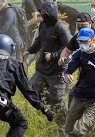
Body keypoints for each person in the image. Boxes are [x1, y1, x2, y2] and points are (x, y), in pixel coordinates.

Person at [23, 1, 72, 130]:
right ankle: (46, 111)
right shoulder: (43, 25)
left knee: (57, 102)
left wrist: (54, 55)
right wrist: (29, 50)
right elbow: (39, 41)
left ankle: (65, 128)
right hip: (42, 68)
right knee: (31, 89)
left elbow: (68, 47)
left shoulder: (61, 28)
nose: (42, 15)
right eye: (41, 13)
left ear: (51, 13)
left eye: (44, 13)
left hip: (57, 70)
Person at [59, 12, 95, 136]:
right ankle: (74, 125)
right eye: (79, 25)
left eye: (84, 25)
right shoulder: (77, 36)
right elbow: (67, 49)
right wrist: (62, 57)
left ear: (90, 24)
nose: (81, 27)